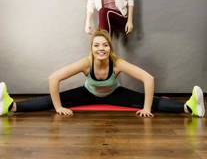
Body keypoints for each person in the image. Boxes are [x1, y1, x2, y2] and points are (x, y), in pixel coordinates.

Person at [0, 29, 205, 118]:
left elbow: (148, 79)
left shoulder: (117, 63)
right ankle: (9, 105)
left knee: (151, 102)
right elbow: (54, 78)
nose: (101, 48)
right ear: (92, 48)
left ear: (110, 48)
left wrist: (145, 108)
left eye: (105, 45)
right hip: (87, 93)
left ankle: (190, 107)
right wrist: (59, 107)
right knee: (51, 101)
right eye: (97, 45)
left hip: (115, 94)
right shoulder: (86, 62)